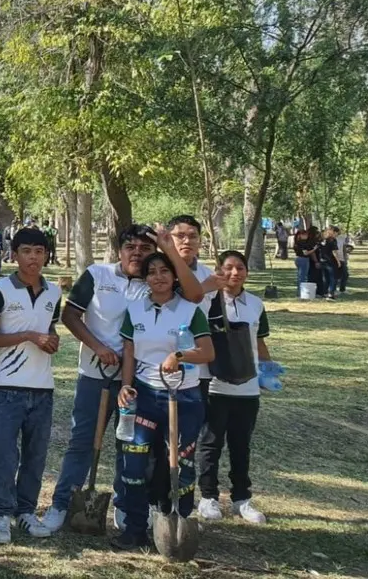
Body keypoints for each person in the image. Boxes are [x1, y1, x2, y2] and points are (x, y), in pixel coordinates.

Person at [42, 223, 201, 534]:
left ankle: (125, 507)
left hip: (139, 382)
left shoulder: (157, 280)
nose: (137, 254)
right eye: (131, 248)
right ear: (119, 250)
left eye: (145, 248)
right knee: (82, 443)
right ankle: (62, 504)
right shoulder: (97, 275)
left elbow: (194, 294)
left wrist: (168, 247)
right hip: (96, 376)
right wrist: (98, 347)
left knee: (129, 445)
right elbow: (70, 316)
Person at [111, 252, 214, 550]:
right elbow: (129, 352)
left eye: (164, 271)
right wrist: (126, 386)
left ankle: (178, 526)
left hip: (184, 397)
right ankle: (134, 528)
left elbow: (207, 352)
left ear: (175, 276)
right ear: (145, 279)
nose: (158, 277)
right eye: (152, 272)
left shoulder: (190, 311)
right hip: (143, 397)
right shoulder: (134, 310)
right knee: (134, 463)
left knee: (180, 464)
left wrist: (179, 355)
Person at [0, 227, 60, 544]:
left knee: (36, 455)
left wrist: (49, 341)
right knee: (4, 454)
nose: (34, 257)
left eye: (40, 251)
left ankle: (26, 511)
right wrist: (29, 336)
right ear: (14, 254)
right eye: (27, 251)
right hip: (7, 387)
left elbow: (48, 329)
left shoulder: (53, 292)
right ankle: (0, 515)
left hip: (43, 387)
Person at [197, 250, 271, 525]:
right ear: (218, 270)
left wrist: (267, 371)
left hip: (248, 388)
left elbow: (259, 342)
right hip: (216, 386)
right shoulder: (208, 303)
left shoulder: (255, 303)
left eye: (240, 268)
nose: (234, 273)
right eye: (228, 268)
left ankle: (241, 499)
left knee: (241, 445)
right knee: (210, 443)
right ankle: (208, 497)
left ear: (246, 273)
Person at [167, 216, 214, 401]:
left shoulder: (208, 274)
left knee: (191, 424)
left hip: (196, 369)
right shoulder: (156, 271)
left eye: (193, 236)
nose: (187, 241)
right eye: (180, 236)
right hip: (157, 365)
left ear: (200, 241)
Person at [318, 227, 342, 301]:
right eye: (337, 233)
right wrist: (338, 261)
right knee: (333, 278)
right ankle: (331, 293)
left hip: (323, 260)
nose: (337, 235)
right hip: (331, 261)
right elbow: (334, 251)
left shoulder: (323, 239)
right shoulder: (332, 240)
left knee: (326, 278)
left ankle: (325, 292)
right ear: (334, 232)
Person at [293, 227, 317, 295]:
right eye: (305, 235)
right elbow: (305, 253)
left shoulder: (297, 242)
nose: (307, 236)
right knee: (303, 277)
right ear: (301, 235)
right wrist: (314, 249)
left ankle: (299, 291)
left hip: (298, 259)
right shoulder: (302, 243)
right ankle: (302, 292)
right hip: (303, 259)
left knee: (299, 276)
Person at [334, 227, 353, 294]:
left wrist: (345, 257)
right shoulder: (331, 239)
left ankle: (342, 289)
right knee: (335, 275)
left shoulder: (342, 238)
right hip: (334, 259)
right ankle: (334, 289)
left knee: (345, 274)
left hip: (341, 258)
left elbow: (344, 248)